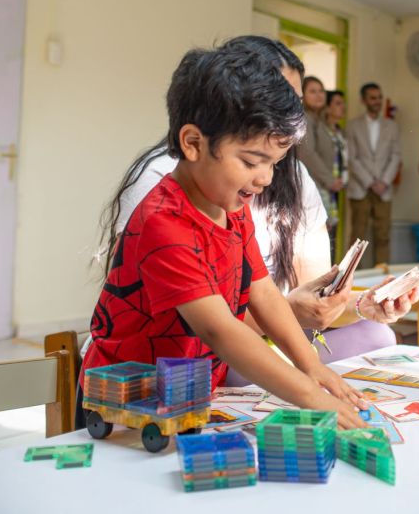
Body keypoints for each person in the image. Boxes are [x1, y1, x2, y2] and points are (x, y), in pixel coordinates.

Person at [83, 46, 367, 429]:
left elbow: (263, 292)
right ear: (193, 143)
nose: (265, 178)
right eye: (251, 162)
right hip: (130, 399)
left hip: (190, 392)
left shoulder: (232, 209)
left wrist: (312, 366)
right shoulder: (163, 222)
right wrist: (309, 395)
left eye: (274, 163)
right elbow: (220, 329)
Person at [101, 37, 414, 367]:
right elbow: (210, 327)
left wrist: (364, 304)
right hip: (182, 359)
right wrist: (309, 378)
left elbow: (311, 300)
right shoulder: (166, 188)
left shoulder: (281, 182)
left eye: (296, 105)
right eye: (278, 100)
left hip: (268, 338)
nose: (290, 120)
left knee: (377, 336)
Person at [346, 82, 401, 266]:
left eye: (379, 97)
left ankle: (381, 278)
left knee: (383, 235)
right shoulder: (353, 126)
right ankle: (350, 279)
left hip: (384, 189)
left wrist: (384, 181)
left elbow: (396, 156)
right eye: (373, 98)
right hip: (361, 187)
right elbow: (352, 158)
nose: (377, 101)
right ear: (363, 100)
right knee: (357, 238)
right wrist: (370, 182)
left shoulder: (392, 126)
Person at [297, 76, 343, 217]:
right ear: (302, 95)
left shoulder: (318, 120)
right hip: (310, 186)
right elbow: (307, 154)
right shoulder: (303, 118)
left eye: (321, 91)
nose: (319, 95)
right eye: (312, 91)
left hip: (321, 184)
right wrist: (330, 180)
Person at [322, 90, 349, 259]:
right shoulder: (321, 130)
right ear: (327, 107)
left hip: (338, 187)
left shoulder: (340, 132)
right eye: (337, 103)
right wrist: (330, 179)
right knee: (324, 229)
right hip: (324, 185)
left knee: (334, 229)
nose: (343, 107)